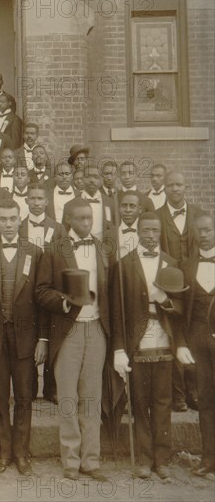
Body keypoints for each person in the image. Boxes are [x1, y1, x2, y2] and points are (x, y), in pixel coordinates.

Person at [36, 197, 110, 482]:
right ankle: (71, 459)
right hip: (68, 331)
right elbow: (41, 291)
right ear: (68, 220)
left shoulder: (102, 248)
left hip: (97, 329)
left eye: (89, 217)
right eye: (80, 218)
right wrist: (64, 303)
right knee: (68, 396)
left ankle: (91, 460)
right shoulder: (54, 250)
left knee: (92, 397)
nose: (87, 223)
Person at [111, 212, 187, 480]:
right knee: (140, 402)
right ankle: (143, 459)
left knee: (163, 401)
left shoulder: (171, 262)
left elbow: (181, 307)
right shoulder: (123, 265)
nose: (151, 235)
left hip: (164, 339)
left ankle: (162, 459)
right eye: (146, 230)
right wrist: (119, 348)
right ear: (138, 232)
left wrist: (165, 301)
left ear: (160, 232)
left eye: (155, 230)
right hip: (137, 341)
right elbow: (117, 311)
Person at [0, 198, 46, 476]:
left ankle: (21, 454)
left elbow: (41, 299)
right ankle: (3, 454)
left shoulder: (35, 252)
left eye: (12, 219)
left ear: (20, 220)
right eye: (3, 219)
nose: (7, 224)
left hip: (26, 336)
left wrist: (43, 339)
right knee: (0, 396)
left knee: (24, 396)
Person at [156, 171, 202, 412]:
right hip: (169, 286)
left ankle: (193, 391)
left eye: (179, 184)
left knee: (193, 337)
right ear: (164, 189)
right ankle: (178, 395)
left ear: (186, 187)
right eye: (170, 185)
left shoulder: (199, 215)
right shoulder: (155, 217)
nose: (175, 188)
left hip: (196, 286)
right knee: (173, 337)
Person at [180, 214, 215, 477]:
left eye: (207, 230)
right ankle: (209, 458)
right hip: (198, 339)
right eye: (198, 231)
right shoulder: (187, 265)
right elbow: (182, 310)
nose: (203, 235)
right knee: (205, 399)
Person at [19, 184, 66, 250]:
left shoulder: (58, 228)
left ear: (46, 202)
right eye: (32, 198)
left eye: (40, 198)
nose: (36, 203)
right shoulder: (18, 228)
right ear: (26, 201)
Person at [102, 190, 142, 264]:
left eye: (132, 206)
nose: (127, 210)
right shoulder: (109, 234)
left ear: (139, 209)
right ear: (119, 208)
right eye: (124, 205)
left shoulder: (147, 233)